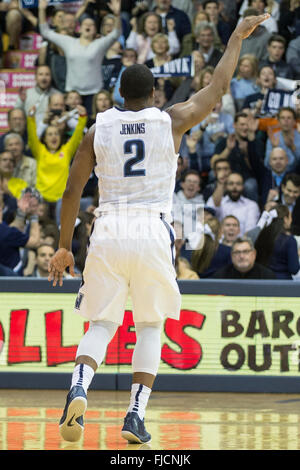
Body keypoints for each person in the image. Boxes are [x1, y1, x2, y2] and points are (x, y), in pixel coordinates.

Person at [47, 13, 271, 444]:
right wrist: (236, 39)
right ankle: (134, 416)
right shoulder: (171, 120)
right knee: (149, 326)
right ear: (154, 93)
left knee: (100, 324)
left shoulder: (98, 129)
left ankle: (78, 387)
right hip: (152, 228)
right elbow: (218, 88)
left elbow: (72, 192)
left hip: (109, 227)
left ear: (118, 94)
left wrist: (62, 247)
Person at [38, 0, 122, 116]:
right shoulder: (69, 42)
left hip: (93, 94)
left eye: (91, 24)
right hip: (73, 95)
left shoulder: (99, 44)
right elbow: (45, 32)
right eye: (85, 24)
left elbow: (116, 33)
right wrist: (42, 9)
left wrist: (117, 14)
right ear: (79, 28)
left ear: (95, 30)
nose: (88, 26)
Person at [255, 204, 300, 279]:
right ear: (285, 219)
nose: (291, 220)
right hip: (282, 284)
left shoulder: (261, 236)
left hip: (262, 281)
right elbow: (294, 269)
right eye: (290, 217)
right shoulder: (289, 240)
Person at [264, 107, 300, 172]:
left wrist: (293, 148)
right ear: (279, 121)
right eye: (283, 118)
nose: (286, 121)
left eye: (289, 118)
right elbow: (266, 164)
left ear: (294, 121)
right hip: (277, 175)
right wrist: (274, 147)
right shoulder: (273, 137)